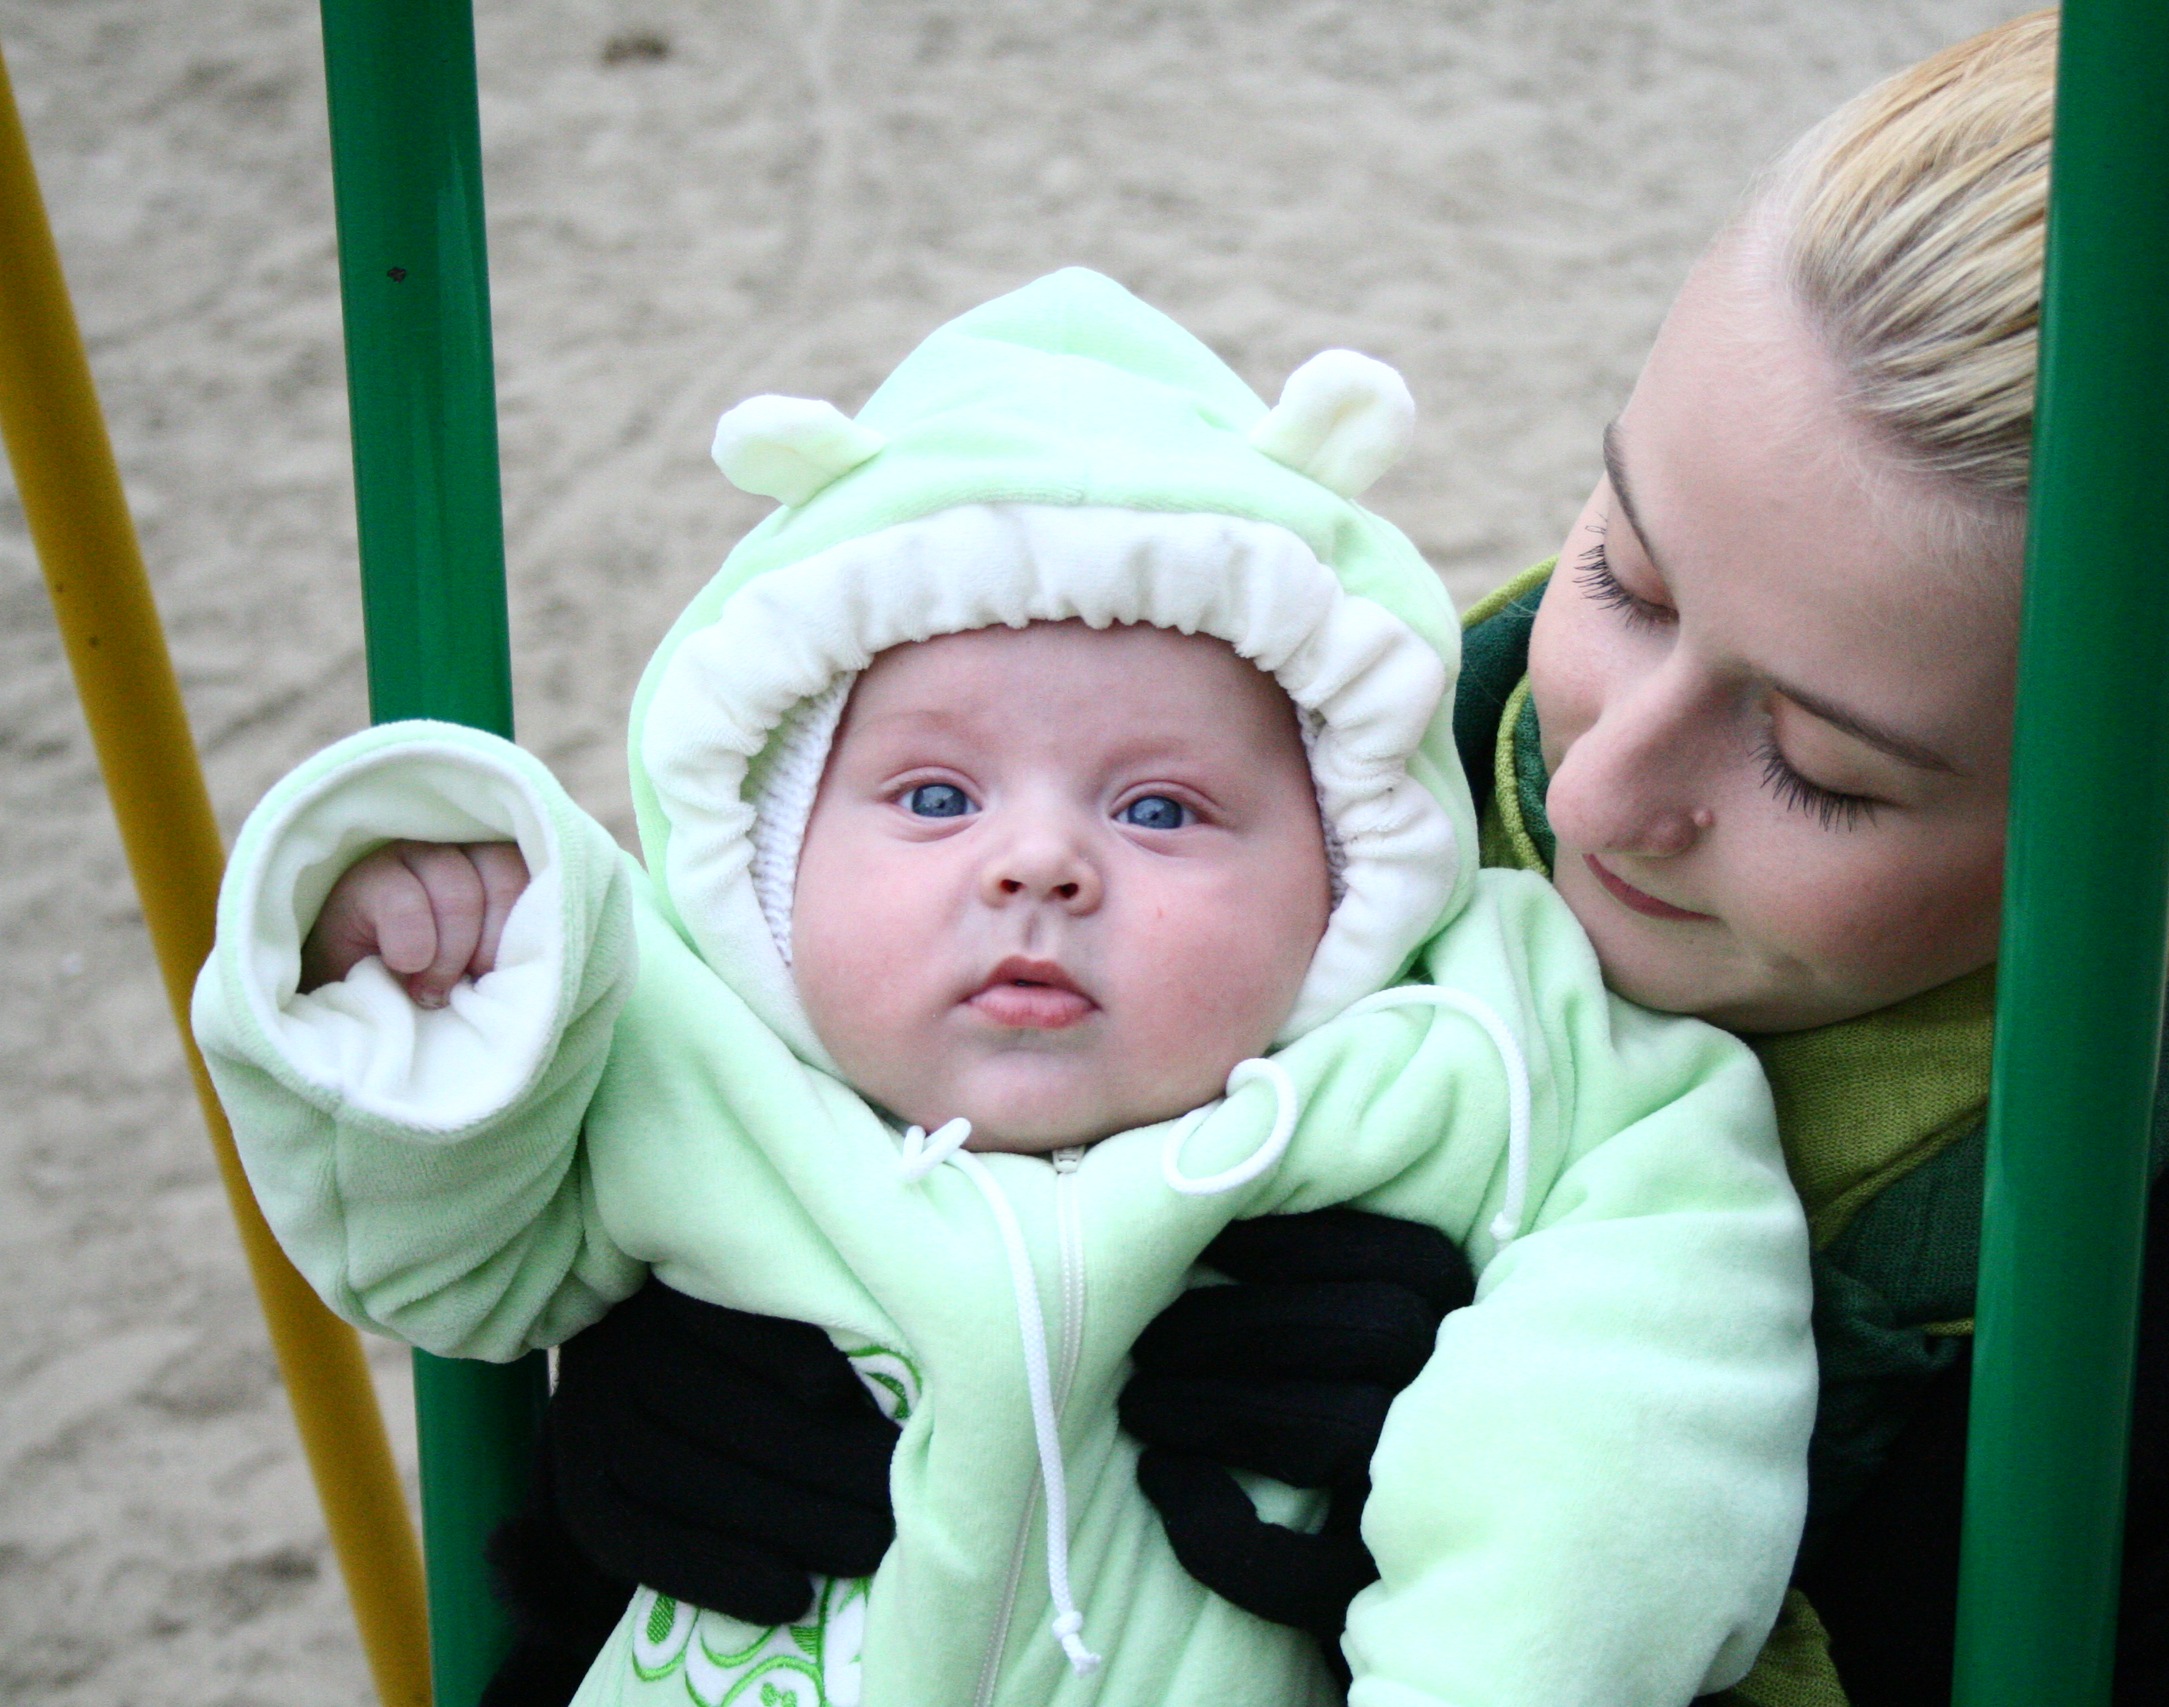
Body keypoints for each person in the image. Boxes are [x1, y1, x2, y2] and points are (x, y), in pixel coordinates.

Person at [518, 5, 2169, 1705]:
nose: (1591, 796)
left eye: (1822, 768)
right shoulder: (1221, 750)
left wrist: (1622, 1589)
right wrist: (643, 1417)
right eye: (1627, 576)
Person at [192, 268, 1818, 1707]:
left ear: (1344, 874)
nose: (1039, 864)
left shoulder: (1476, 1059)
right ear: (774, 860)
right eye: (934, 796)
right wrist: (434, 986)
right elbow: (440, 1265)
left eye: (1161, 810)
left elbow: (1641, 1385)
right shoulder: (666, 1045)